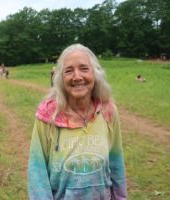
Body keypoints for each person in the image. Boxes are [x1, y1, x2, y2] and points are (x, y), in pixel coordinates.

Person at [28, 44, 127, 200]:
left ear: (95, 73)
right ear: (60, 78)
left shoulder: (108, 111)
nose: (77, 77)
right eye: (69, 71)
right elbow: (37, 174)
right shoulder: (47, 116)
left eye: (84, 69)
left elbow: (116, 162)